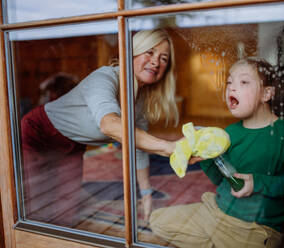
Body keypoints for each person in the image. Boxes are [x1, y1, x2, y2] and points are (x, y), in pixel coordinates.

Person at [21, 29, 180, 225]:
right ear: (133, 52)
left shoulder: (140, 102)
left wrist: (146, 194)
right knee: (38, 203)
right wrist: (168, 147)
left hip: (73, 143)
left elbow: (138, 148)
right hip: (39, 132)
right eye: (150, 52)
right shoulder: (104, 78)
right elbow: (109, 124)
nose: (156, 61)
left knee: (67, 208)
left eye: (163, 58)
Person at [150, 57, 284, 248]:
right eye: (229, 82)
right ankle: (217, 240)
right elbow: (219, 180)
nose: (231, 88)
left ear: (267, 94)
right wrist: (205, 156)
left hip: (252, 228)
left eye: (243, 82)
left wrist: (257, 183)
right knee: (157, 220)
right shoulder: (229, 132)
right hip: (214, 211)